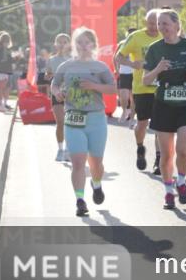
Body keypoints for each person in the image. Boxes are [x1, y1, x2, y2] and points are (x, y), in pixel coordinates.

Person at [50, 28, 117, 217]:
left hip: (96, 119)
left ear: (93, 45)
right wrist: (57, 93)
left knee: (96, 163)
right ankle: (80, 200)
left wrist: (94, 86)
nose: (82, 46)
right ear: (74, 45)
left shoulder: (100, 67)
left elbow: (113, 89)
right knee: (78, 162)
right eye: (79, 42)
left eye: (87, 42)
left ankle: (96, 184)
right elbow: (55, 84)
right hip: (73, 119)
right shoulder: (66, 66)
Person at [143, 10, 186, 209]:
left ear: (177, 25)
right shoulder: (154, 49)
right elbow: (145, 80)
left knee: (183, 150)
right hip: (164, 104)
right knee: (167, 154)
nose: (162, 27)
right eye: (159, 24)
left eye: (165, 23)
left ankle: (182, 182)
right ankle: (169, 192)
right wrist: (158, 69)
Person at [117, 11, 162, 171]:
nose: (153, 26)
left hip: (161, 88)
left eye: (156, 23)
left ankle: (159, 159)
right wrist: (132, 64)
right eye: (150, 23)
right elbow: (119, 56)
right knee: (142, 123)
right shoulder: (136, 37)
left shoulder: (166, 36)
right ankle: (140, 148)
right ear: (145, 22)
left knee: (160, 125)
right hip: (141, 87)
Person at [45, 34, 74, 160]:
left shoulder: (73, 59)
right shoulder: (51, 60)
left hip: (71, 94)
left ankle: (68, 149)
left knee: (70, 123)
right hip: (56, 93)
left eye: (65, 42)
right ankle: (60, 149)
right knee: (60, 122)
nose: (62, 44)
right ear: (55, 45)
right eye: (60, 42)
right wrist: (48, 76)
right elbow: (48, 74)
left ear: (69, 44)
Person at [115, 29, 136, 123]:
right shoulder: (122, 44)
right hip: (124, 73)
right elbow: (115, 58)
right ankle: (124, 111)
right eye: (129, 34)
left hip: (135, 74)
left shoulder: (138, 43)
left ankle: (132, 116)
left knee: (133, 97)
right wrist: (117, 69)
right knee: (124, 95)